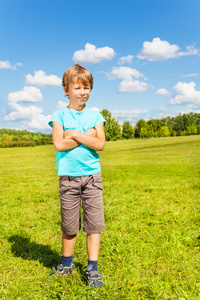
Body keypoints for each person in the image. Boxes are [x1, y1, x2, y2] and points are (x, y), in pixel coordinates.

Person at [48, 64, 106, 288]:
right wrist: (85, 135)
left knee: (94, 225)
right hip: (68, 179)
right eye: (77, 88)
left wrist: (74, 133)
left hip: (92, 178)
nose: (83, 92)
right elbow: (59, 144)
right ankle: (66, 264)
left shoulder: (96, 115)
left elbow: (99, 144)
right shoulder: (59, 115)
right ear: (66, 90)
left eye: (87, 87)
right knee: (70, 226)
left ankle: (93, 268)